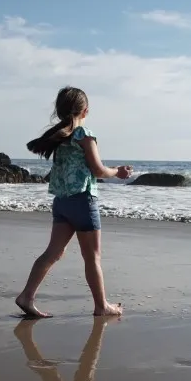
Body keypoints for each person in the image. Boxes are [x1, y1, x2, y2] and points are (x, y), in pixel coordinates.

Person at [15, 86, 132, 318]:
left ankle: (26, 296)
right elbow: (98, 170)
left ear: (59, 113)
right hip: (82, 202)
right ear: (85, 111)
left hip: (62, 203)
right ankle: (102, 306)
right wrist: (117, 172)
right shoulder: (84, 135)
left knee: (53, 253)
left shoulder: (58, 140)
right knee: (92, 257)